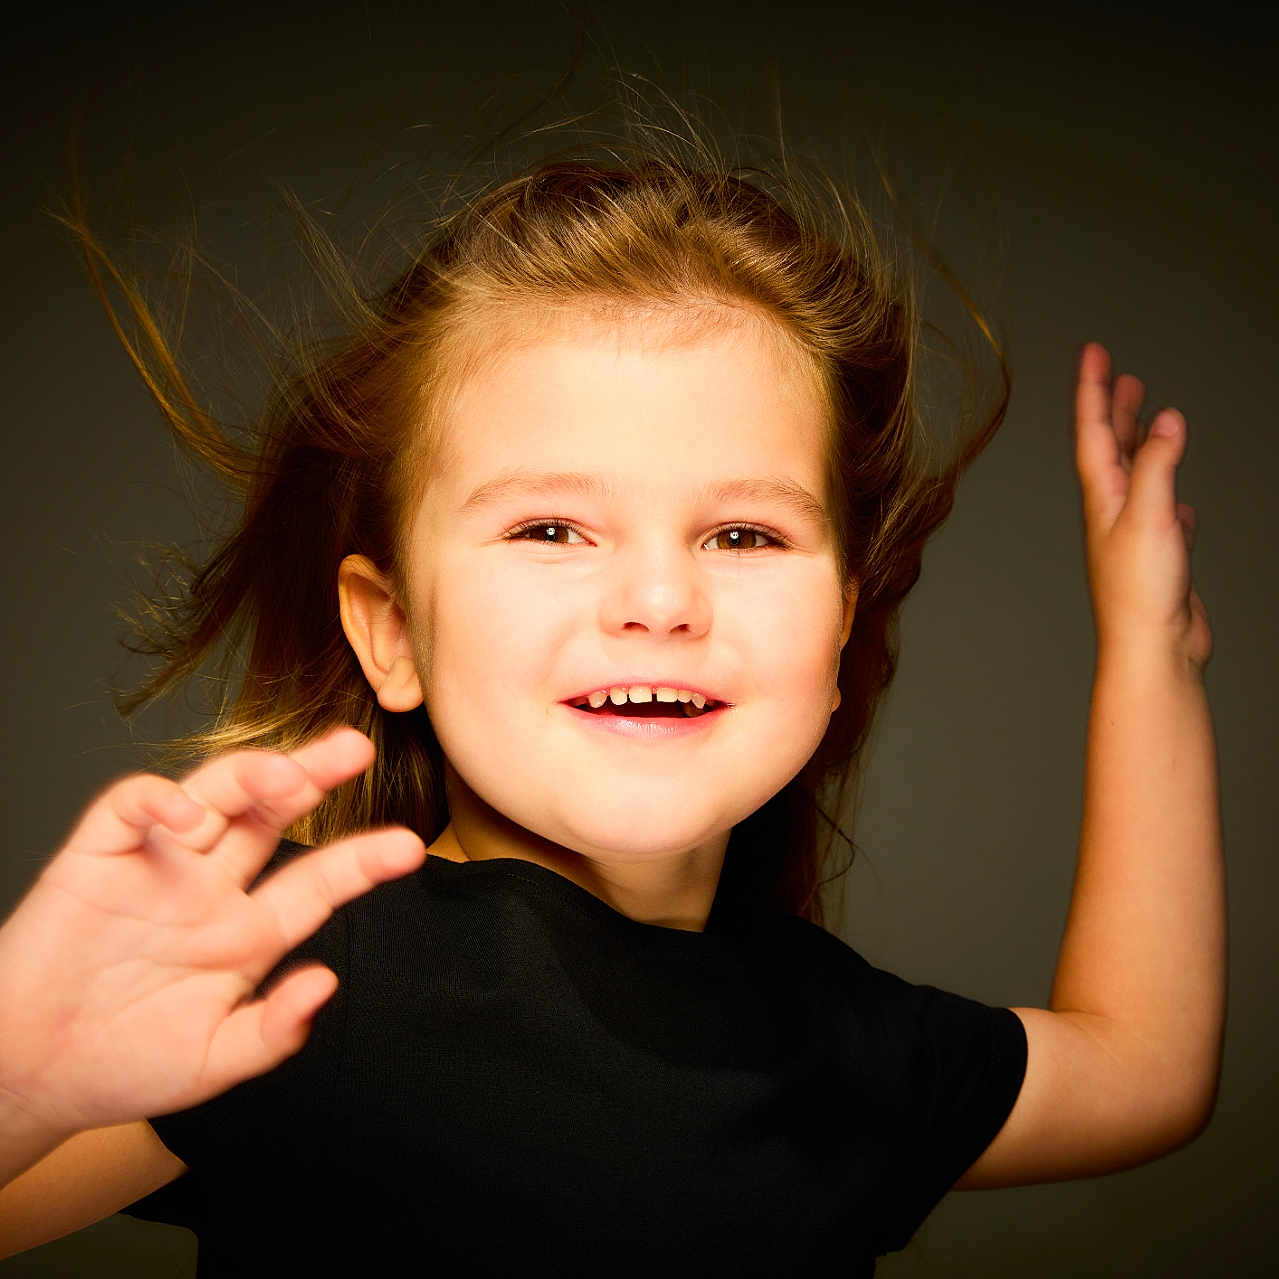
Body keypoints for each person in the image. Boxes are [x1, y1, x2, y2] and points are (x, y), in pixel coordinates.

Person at [0, 93, 1224, 1276]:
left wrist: (1148, 649)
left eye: (742, 534)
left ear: (841, 627)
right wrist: (26, 1059)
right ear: (393, 633)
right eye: (550, 529)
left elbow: (1142, 1071)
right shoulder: (311, 974)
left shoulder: (834, 1044)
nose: (659, 598)